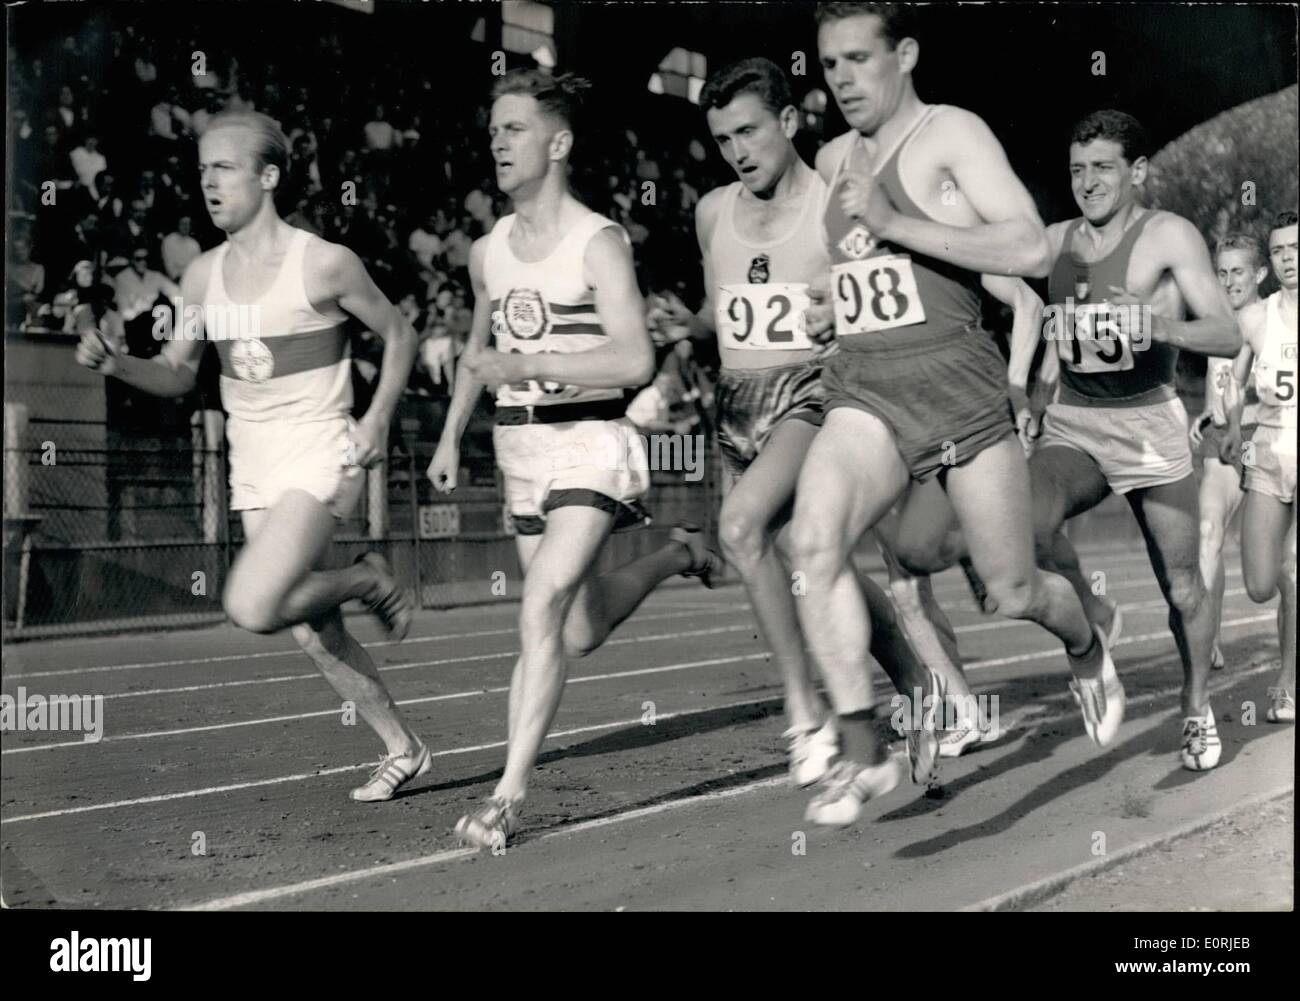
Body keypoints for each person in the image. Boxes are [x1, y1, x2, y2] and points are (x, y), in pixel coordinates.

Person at [790, 2, 1117, 827]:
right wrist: (832, 303)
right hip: (868, 384)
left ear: (904, 54)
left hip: (960, 388)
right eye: (830, 65)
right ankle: (864, 753)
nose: (844, 80)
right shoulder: (831, 158)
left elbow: (1031, 249)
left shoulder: (950, 134)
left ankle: (1085, 645)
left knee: (1010, 590)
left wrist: (896, 220)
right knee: (814, 539)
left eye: (860, 59)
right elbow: (866, 272)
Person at [76, 110, 429, 804]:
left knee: (253, 603)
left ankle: (364, 577)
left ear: (268, 177)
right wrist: (117, 364)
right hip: (255, 463)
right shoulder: (203, 277)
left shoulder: (323, 262)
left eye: (225, 168)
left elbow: (401, 333)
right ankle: (404, 747)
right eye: (203, 169)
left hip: (322, 448)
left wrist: (379, 417)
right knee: (311, 629)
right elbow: (179, 374)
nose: (209, 182)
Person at [428, 70, 723, 850]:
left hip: (593, 439)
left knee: (541, 606)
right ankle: (679, 554)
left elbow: (632, 359)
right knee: (578, 625)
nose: (498, 140)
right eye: (493, 129)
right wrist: (453, 433)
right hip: (519, 447)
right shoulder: (489, 249)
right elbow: (477, 348)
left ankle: (506, 794)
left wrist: (528, 367)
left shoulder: (598, 241)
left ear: (557, 143)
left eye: (514, 128)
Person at [1225, 210, 1297, 725]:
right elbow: (1233, 377)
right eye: (1278, 251)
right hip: (1270, 452)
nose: (1288, 257)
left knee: (1295, 573)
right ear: (1269, 263)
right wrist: (1230, 424)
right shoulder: (1256, 318)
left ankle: (1287, 682)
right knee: (1259, 583)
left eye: (1296, 247)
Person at [1191, 233, 1269, 671]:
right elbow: (1214, 377)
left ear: (1259, 274)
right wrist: (1206, 409)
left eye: (1237, 271)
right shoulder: (1214, 319)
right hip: (1221, 438)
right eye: (1221, 272)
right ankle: (1208, 639)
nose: (1228, 280)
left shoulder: (1276, 318)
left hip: (1266, 438)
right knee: (1207, 532)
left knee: (1272, 568)